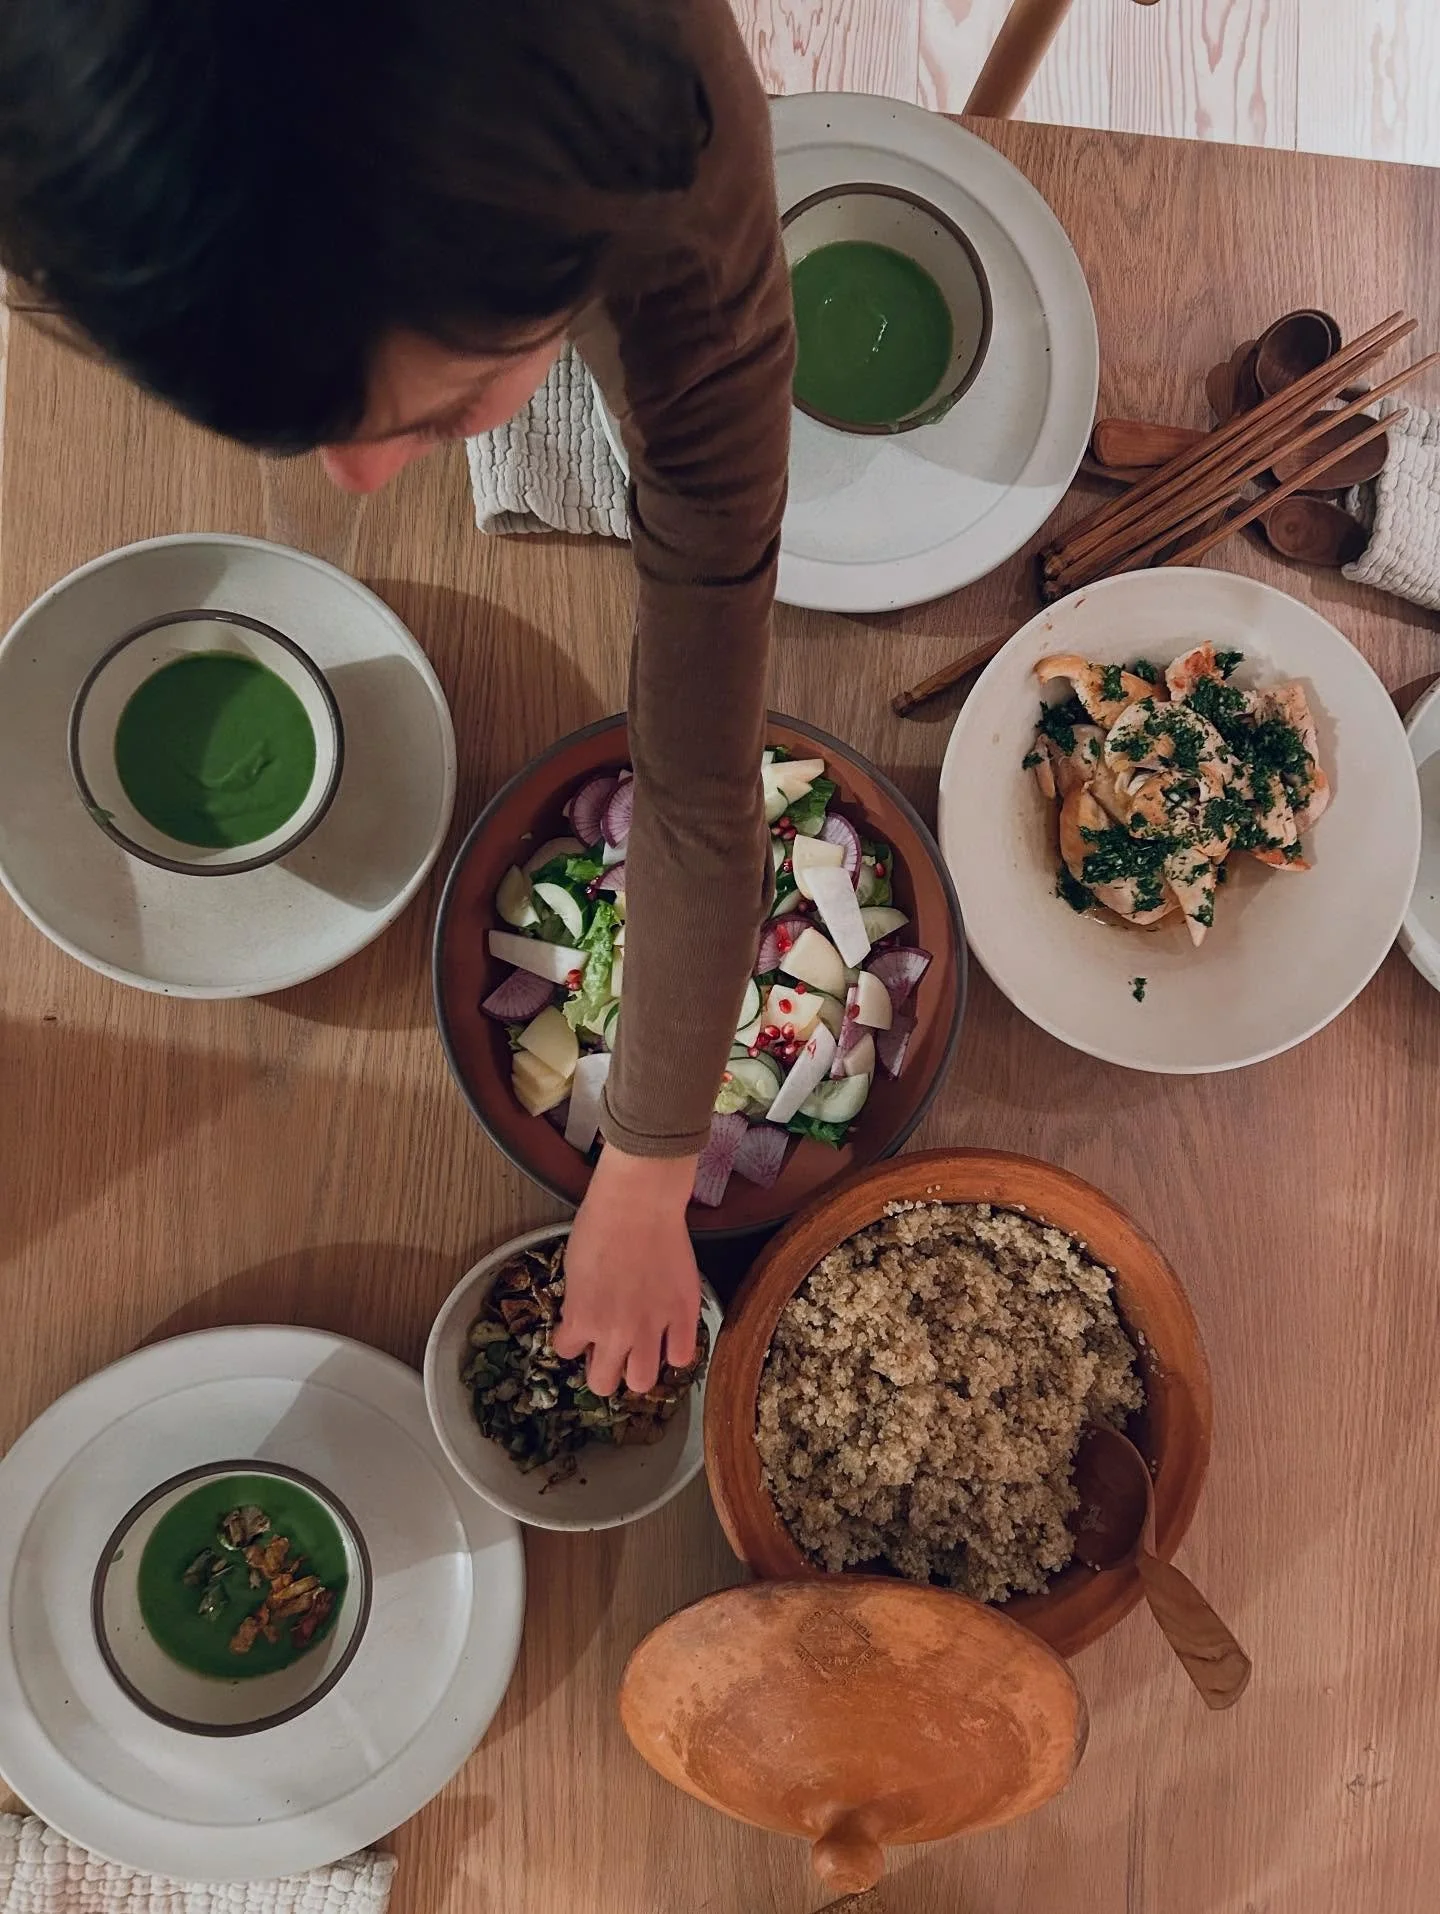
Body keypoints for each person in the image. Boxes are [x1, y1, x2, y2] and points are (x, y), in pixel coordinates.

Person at [0, 0, 793, 1398]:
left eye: (447, 407)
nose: (357, 490)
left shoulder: (678, 192)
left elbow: (696, 775)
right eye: (291, 426)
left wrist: (653, 1158)